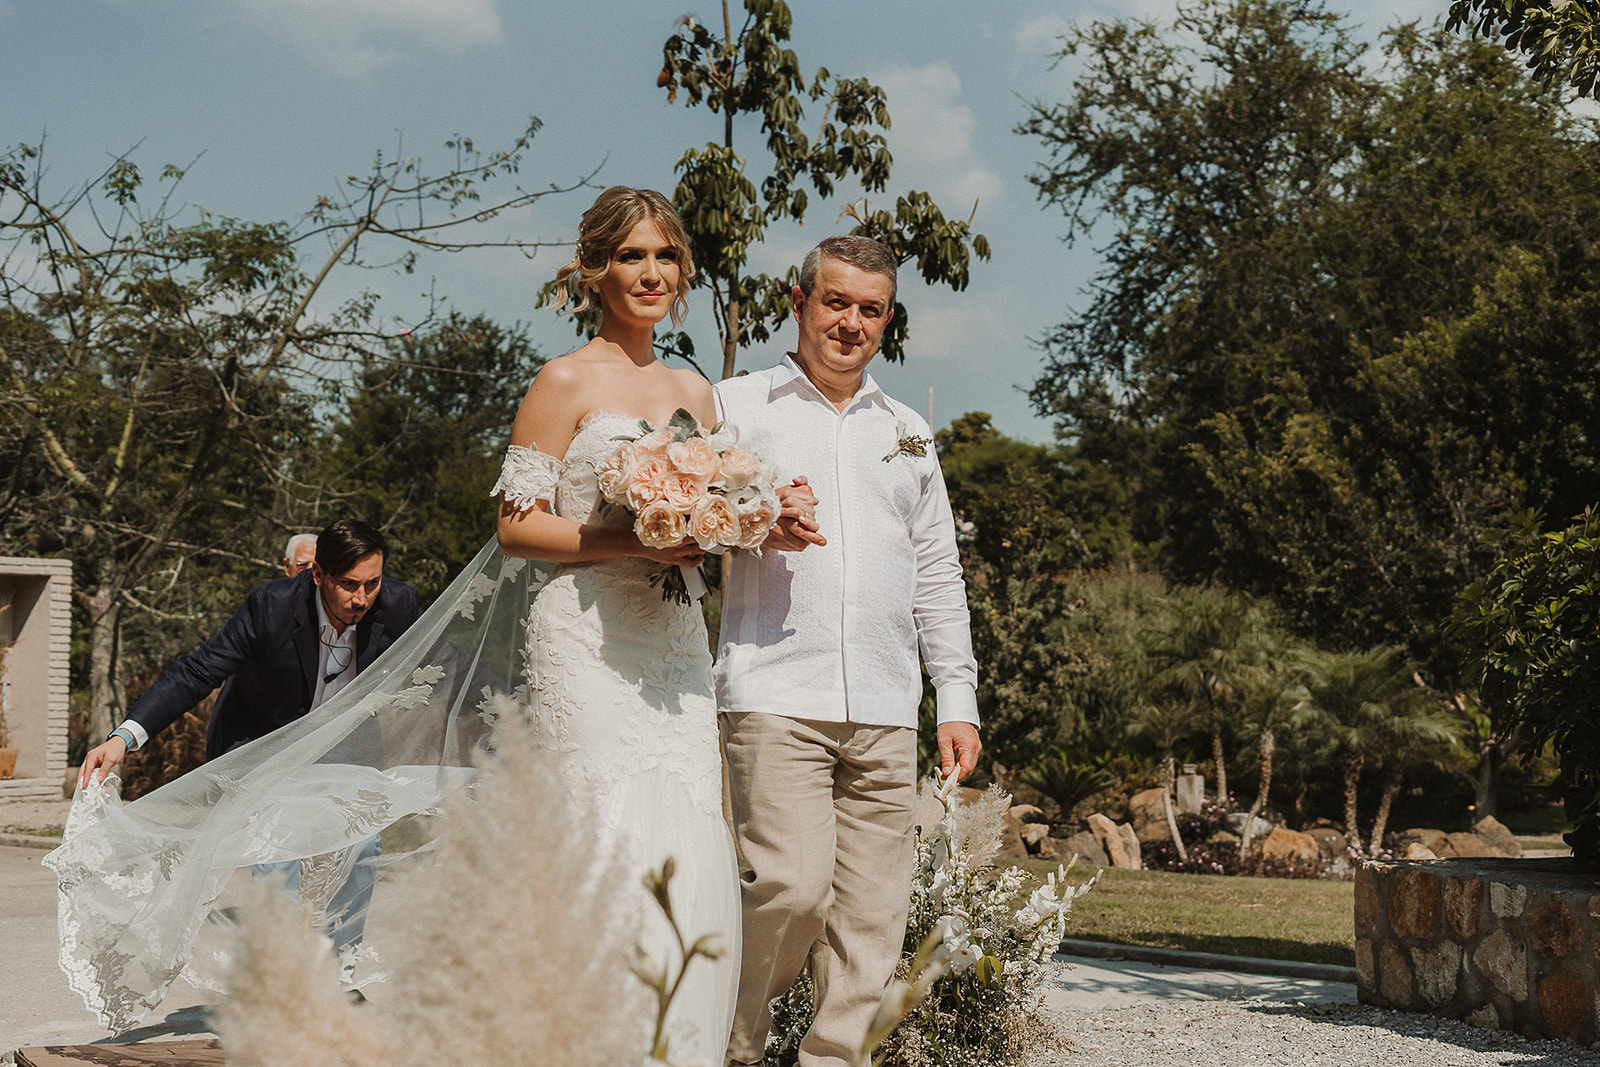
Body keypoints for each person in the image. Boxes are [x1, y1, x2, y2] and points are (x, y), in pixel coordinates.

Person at [490, 185, 751, 1062]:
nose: (651, 272)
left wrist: (730, 524)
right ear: (597, 268)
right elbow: (516, 525)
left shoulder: (695, 390)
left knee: (684, 838)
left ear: (682, 271)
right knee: (602, 834)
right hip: (585, 640)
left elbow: (715, 514)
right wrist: (628, 532)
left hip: (675, 645)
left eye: (666, 256)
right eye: (632, 255)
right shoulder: (562, 380)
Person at [714, 235, 983, 1067]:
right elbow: (688, 529)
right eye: (835, 302)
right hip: (772, 692)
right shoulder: (735, 405)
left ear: (888, 320)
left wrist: (958, 698)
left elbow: (937, 571)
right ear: (798, 305)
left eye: (870, 310)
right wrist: (754, 517)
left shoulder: (909, 433)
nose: (850, 322)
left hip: (885, 706)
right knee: (788, 891)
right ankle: (730, 1047)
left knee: (871, 924)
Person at [79, 518, 421, 783]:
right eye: (348, 584)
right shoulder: (271, 608)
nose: (361, 598)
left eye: (372, 584)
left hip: (348, 751)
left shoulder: (397, 606)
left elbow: (447, 663)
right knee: (279, 860)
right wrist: (124, 737)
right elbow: (197, 673)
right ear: (318, 574)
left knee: (360, 850)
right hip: (266, 749)